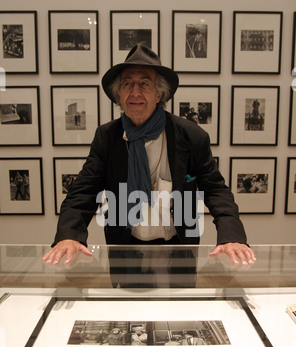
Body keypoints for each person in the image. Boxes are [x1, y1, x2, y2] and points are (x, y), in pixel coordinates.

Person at [42, 44, 256, 267]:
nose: (135, 92)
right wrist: (69, 235)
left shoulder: (191, 136)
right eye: (127, 84)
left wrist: (232, 236)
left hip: (179, 248)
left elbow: (215, 190)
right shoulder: (107, 137)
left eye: (144, 83)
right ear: (118, 94)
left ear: (159, 93)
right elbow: (83, 191)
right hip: (125, 249)